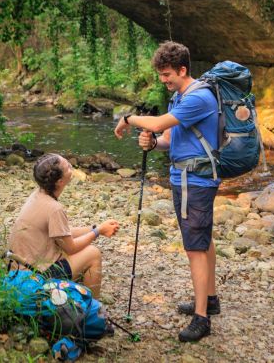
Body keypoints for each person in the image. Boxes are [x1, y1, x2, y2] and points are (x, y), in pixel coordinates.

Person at [113, 41, 220, 342]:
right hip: (185, 177)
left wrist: (128, 119)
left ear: (183, 70)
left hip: (195, 182)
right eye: (161, 75)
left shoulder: (199, 97)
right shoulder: (179, 97)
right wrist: (153, 143)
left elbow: (159, 123)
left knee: (195, 248)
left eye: (167, 74)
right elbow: (168, 137)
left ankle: (202, 319)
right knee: (203, 239)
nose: (164, 80)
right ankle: (209, 300)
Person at [7, 153, 120, 298]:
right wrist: (98, 232)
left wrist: (94, 228)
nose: (71, 167)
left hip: (18, 270)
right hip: (36, 277)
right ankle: (93, 308)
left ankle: (75, 297)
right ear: (60, 181)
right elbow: (71, 248)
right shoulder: (54, 208)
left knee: (78, 250)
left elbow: (61, 234)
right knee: (93, 253)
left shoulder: (37, 195)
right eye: (67, 167)